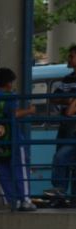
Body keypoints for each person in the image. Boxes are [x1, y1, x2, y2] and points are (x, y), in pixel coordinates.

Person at [0, 68, 37, 211]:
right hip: (14, 138)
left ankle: (13, 201)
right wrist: (29, 111)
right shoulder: (11, 96)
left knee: (2, 171)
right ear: (8, 83)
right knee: (20, 169)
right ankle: (25, 201)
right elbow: (14, 114)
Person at [50, 45, 76, 200]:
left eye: (72, 56)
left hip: (72, 126)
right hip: (65, 126)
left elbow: (69, 109)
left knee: (61, 157)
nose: (69, 59)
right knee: (61, 158)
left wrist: (68, 101)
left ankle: (60, 191)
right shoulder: (68, 78)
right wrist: (69, 100)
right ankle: (64, 196)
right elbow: (54, 98)